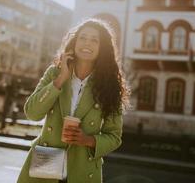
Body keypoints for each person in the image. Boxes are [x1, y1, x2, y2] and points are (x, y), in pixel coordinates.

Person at [17, 18, 130, 183]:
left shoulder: (110, 86)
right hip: (46, 162)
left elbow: (114, 136)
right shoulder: (55, 73)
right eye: (83, 38)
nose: (87, 43)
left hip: (82, 169)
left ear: (102, 48)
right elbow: (32, 113)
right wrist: (60, 80)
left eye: (94, 40)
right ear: (75, 42)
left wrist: (88, 140)